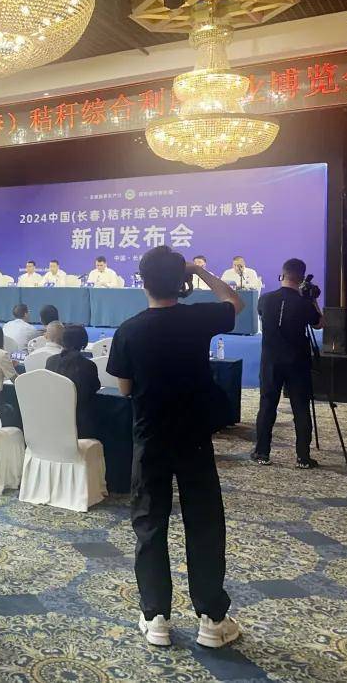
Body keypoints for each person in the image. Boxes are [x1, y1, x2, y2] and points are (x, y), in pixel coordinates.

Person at [105, 245, 244, 650]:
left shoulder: (129, 330)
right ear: (180, 280)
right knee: (204, 522)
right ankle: (212, 619)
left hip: (151, 438)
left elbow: (124, 388)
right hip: (194, 437)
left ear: (143, 282)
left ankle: (156, 618)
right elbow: (234, 302)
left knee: (150, 524)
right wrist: (199, 271)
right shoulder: (198, 317)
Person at [253, 258, 323, 468]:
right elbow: (319, 324)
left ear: (282, 275)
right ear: (301, 279)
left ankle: (262, 453)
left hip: (271, 361)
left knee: (267, 405)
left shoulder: (265, 299)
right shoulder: (304, 303)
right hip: (297, 361)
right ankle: (303, 457)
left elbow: (262, 315)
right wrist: (312, 299)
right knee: (301, 407)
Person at [47, 324, 100, 437]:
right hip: (80, 423)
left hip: (53, 419)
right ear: (84, 342)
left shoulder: (50, 361)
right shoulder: (88, 365)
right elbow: (95, 388)